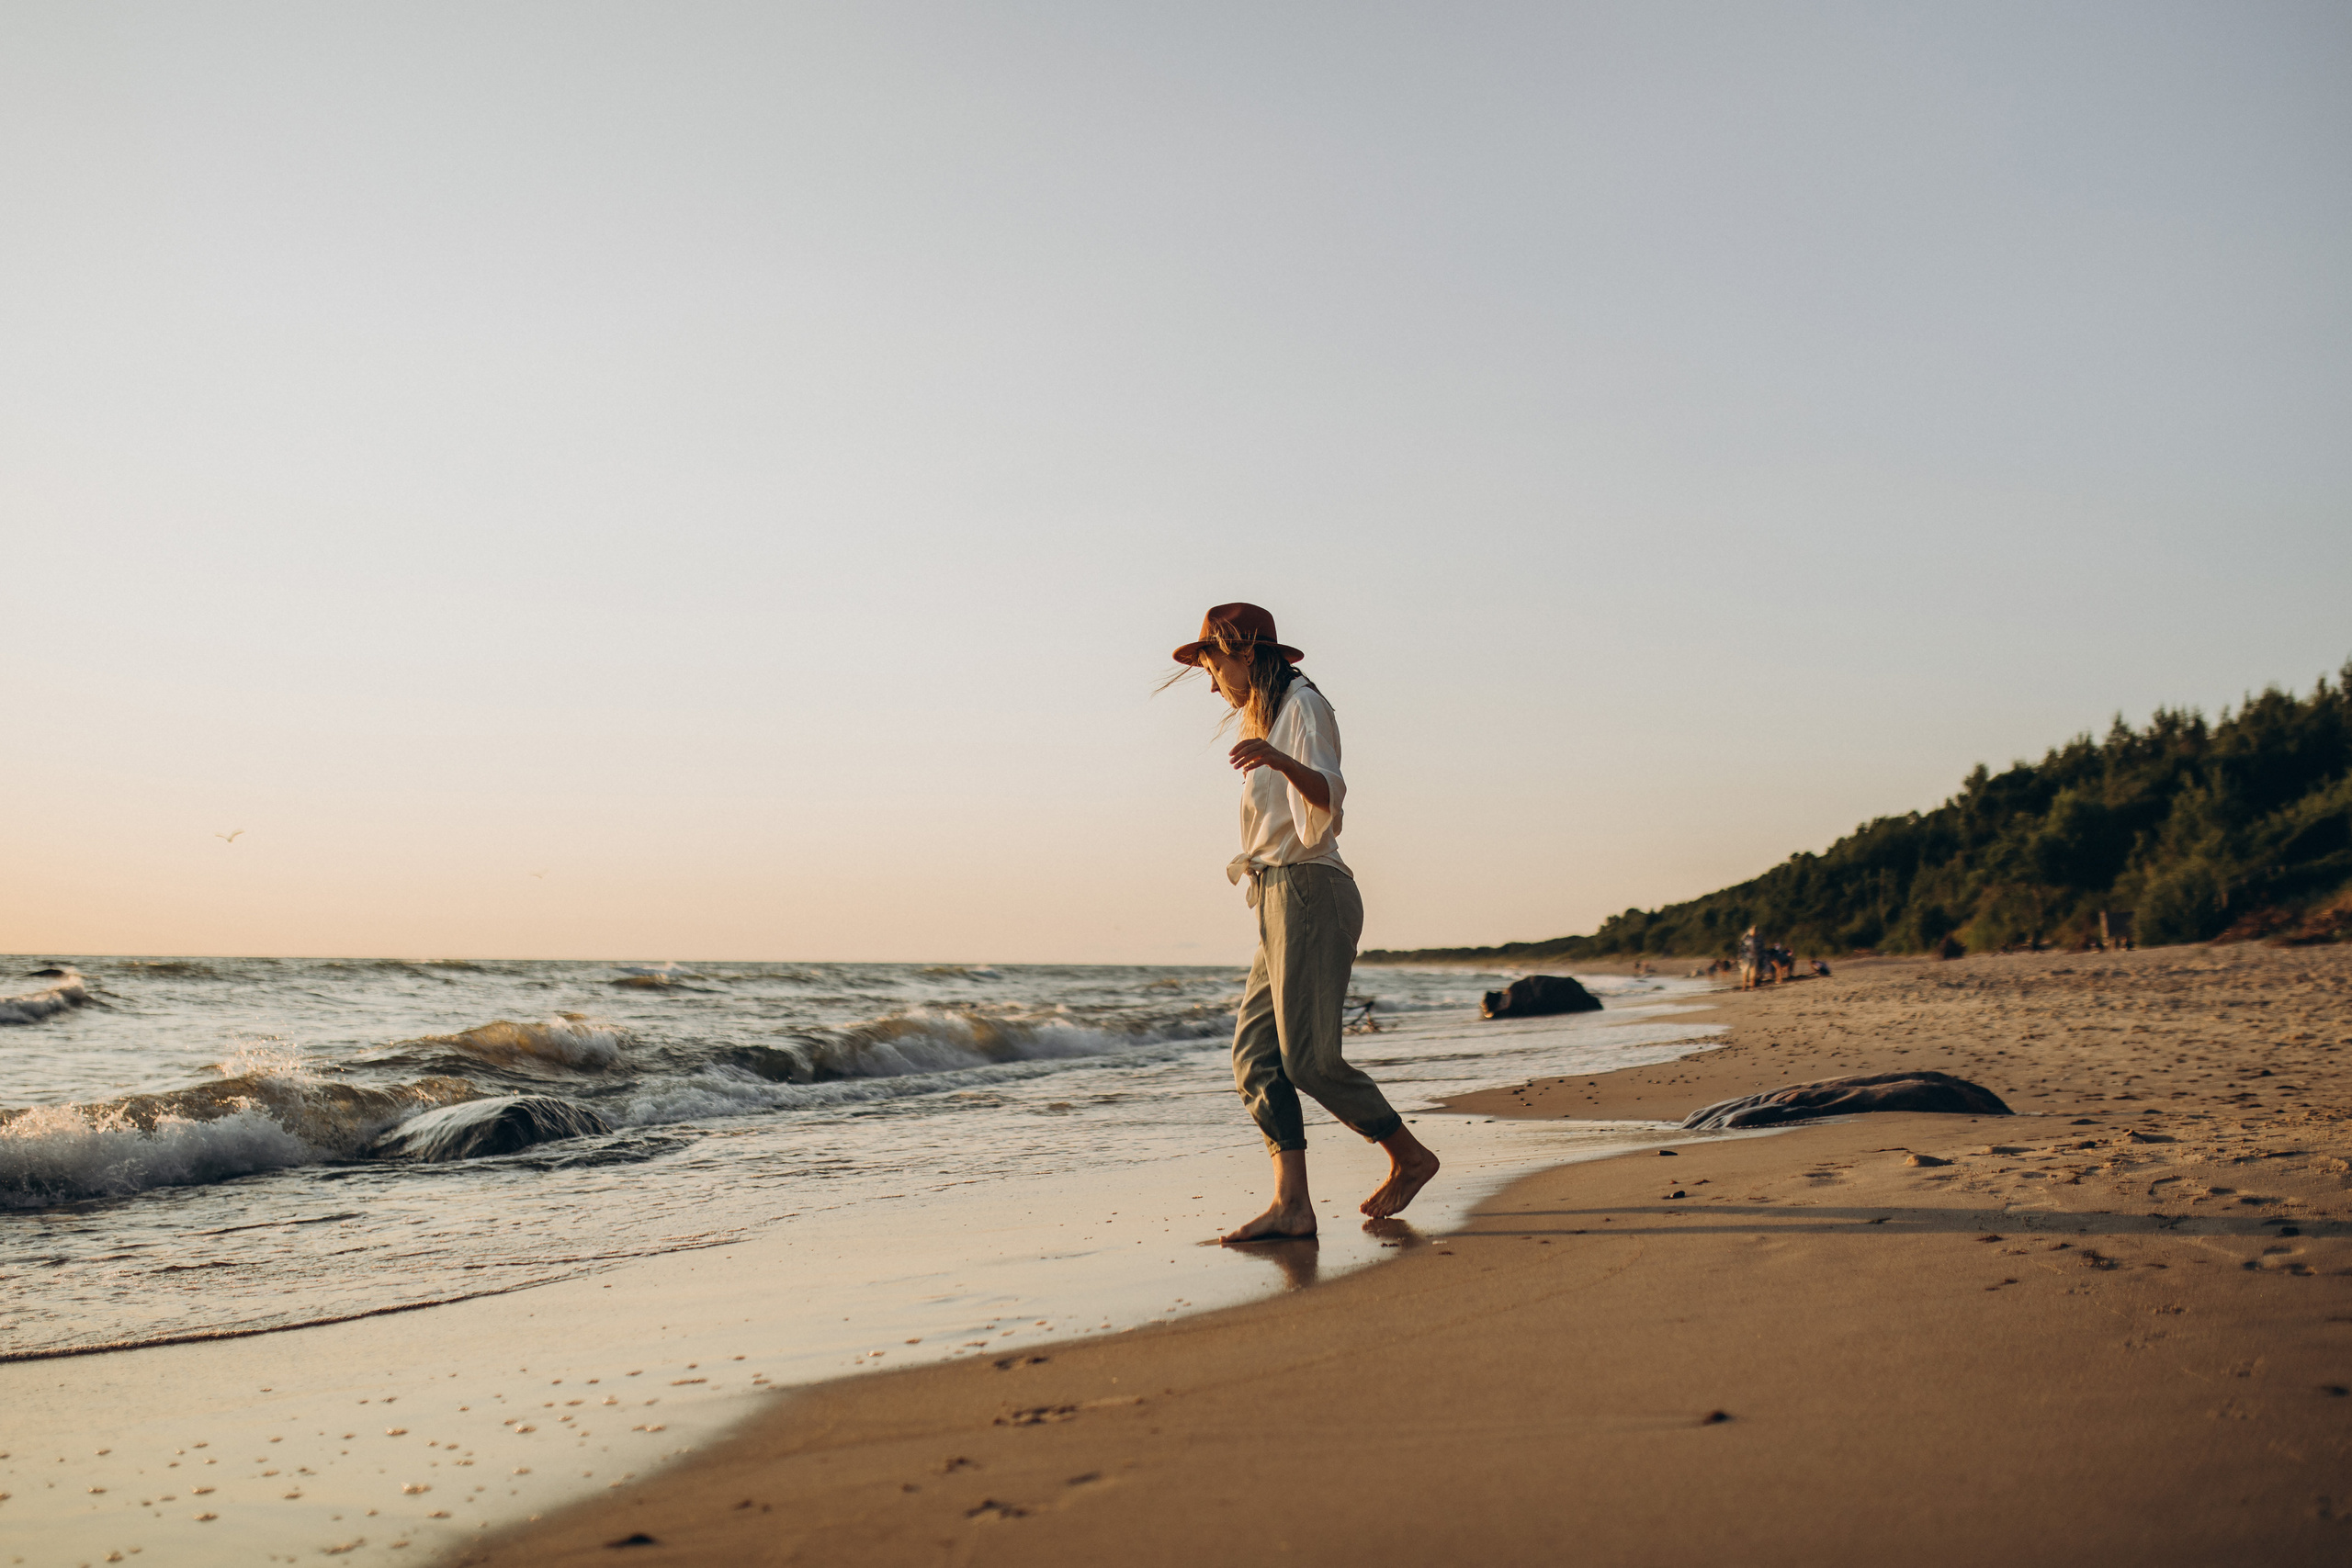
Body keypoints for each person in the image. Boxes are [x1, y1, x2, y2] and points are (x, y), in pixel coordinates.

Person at [1166, 603, 1441, 1243]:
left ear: (1244, 653)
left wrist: (1281, 761)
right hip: (1276, 894)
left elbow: (1329, 797)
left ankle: (1409, 1154)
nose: (1212, 685)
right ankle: (1292, 1205)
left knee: (1310, 1060)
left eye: (1214, 666)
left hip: (1310, 890)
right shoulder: (1273, 712)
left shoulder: (1305, 706)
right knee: (1257, 1059)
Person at [1738, 926, 1761, 990]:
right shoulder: (1747, 938)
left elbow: (1759, 948)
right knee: (1745, 972)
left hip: (1754, 957)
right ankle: (1744, 987)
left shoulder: (1756, 939)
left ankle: (1752, 986)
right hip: (1746, 957)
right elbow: (1743, 947)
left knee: (1753, 972)